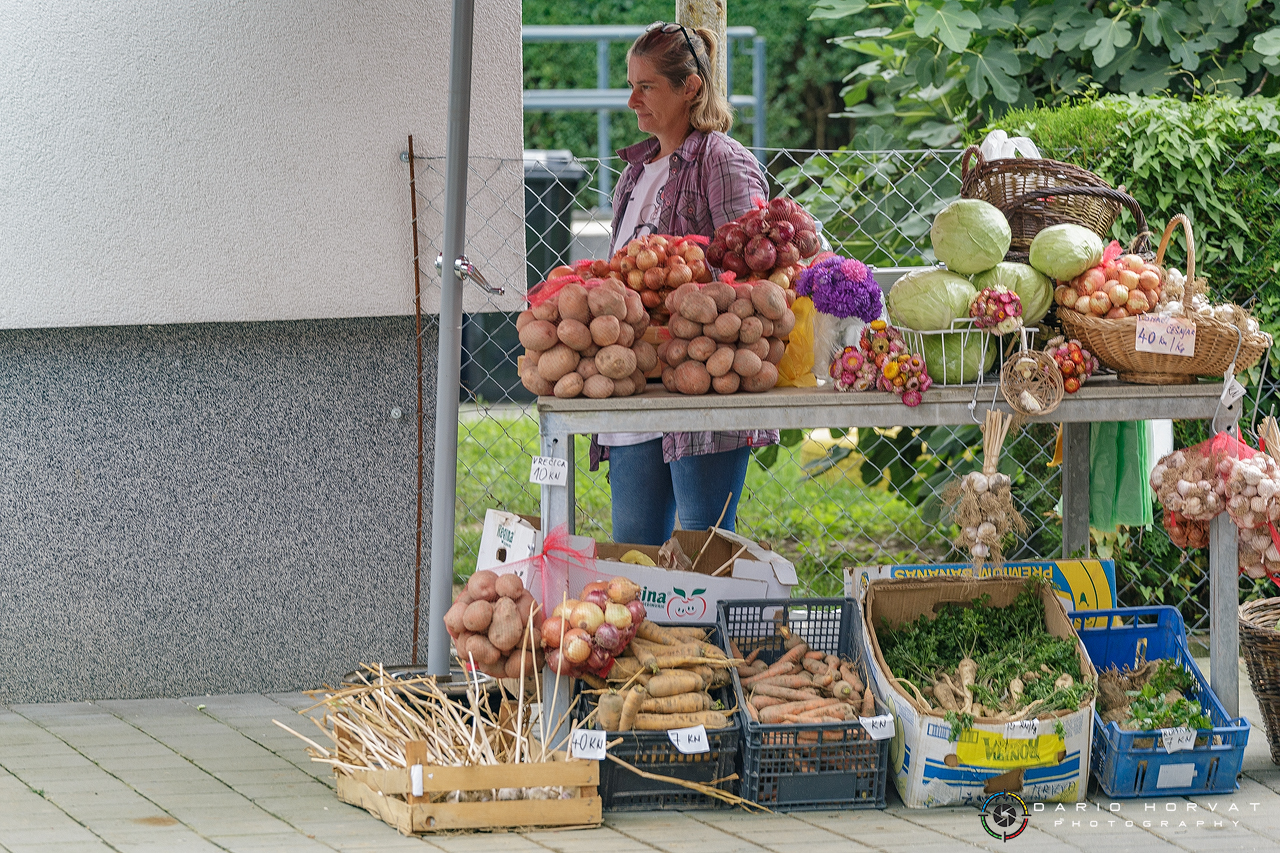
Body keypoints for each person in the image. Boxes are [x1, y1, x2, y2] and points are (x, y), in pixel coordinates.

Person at [590, 22, 777, 546]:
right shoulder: (635, 173)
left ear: (689, 86)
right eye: (631, 85)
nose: (631, 100)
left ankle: (714, 634)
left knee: (704, 544)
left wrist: (691, 303)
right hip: (635, 385)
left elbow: (754, 276)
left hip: (701, 385)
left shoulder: (722, 160)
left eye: (645, 86)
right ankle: (660, 633)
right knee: (635, 552)